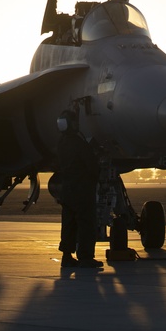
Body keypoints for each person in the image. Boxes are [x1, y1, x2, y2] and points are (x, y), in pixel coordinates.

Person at [55, 109, 103, 268]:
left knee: (68, 223)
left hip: (67, 190)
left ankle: (67, 256)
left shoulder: (62, 143)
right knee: (86, 223)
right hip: (82, 190)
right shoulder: (79, 143)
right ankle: (85, 257)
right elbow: (91, 165)